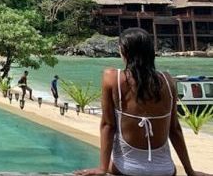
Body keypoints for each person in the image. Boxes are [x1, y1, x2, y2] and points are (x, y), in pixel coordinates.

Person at [75, 27, 210, 176]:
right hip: (165, 170)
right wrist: (189, 170)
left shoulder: (113, 78)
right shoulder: (167, 80)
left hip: (127, 169)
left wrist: (102, 168)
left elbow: (108, 125)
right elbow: (175, 129)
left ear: (124, 52)